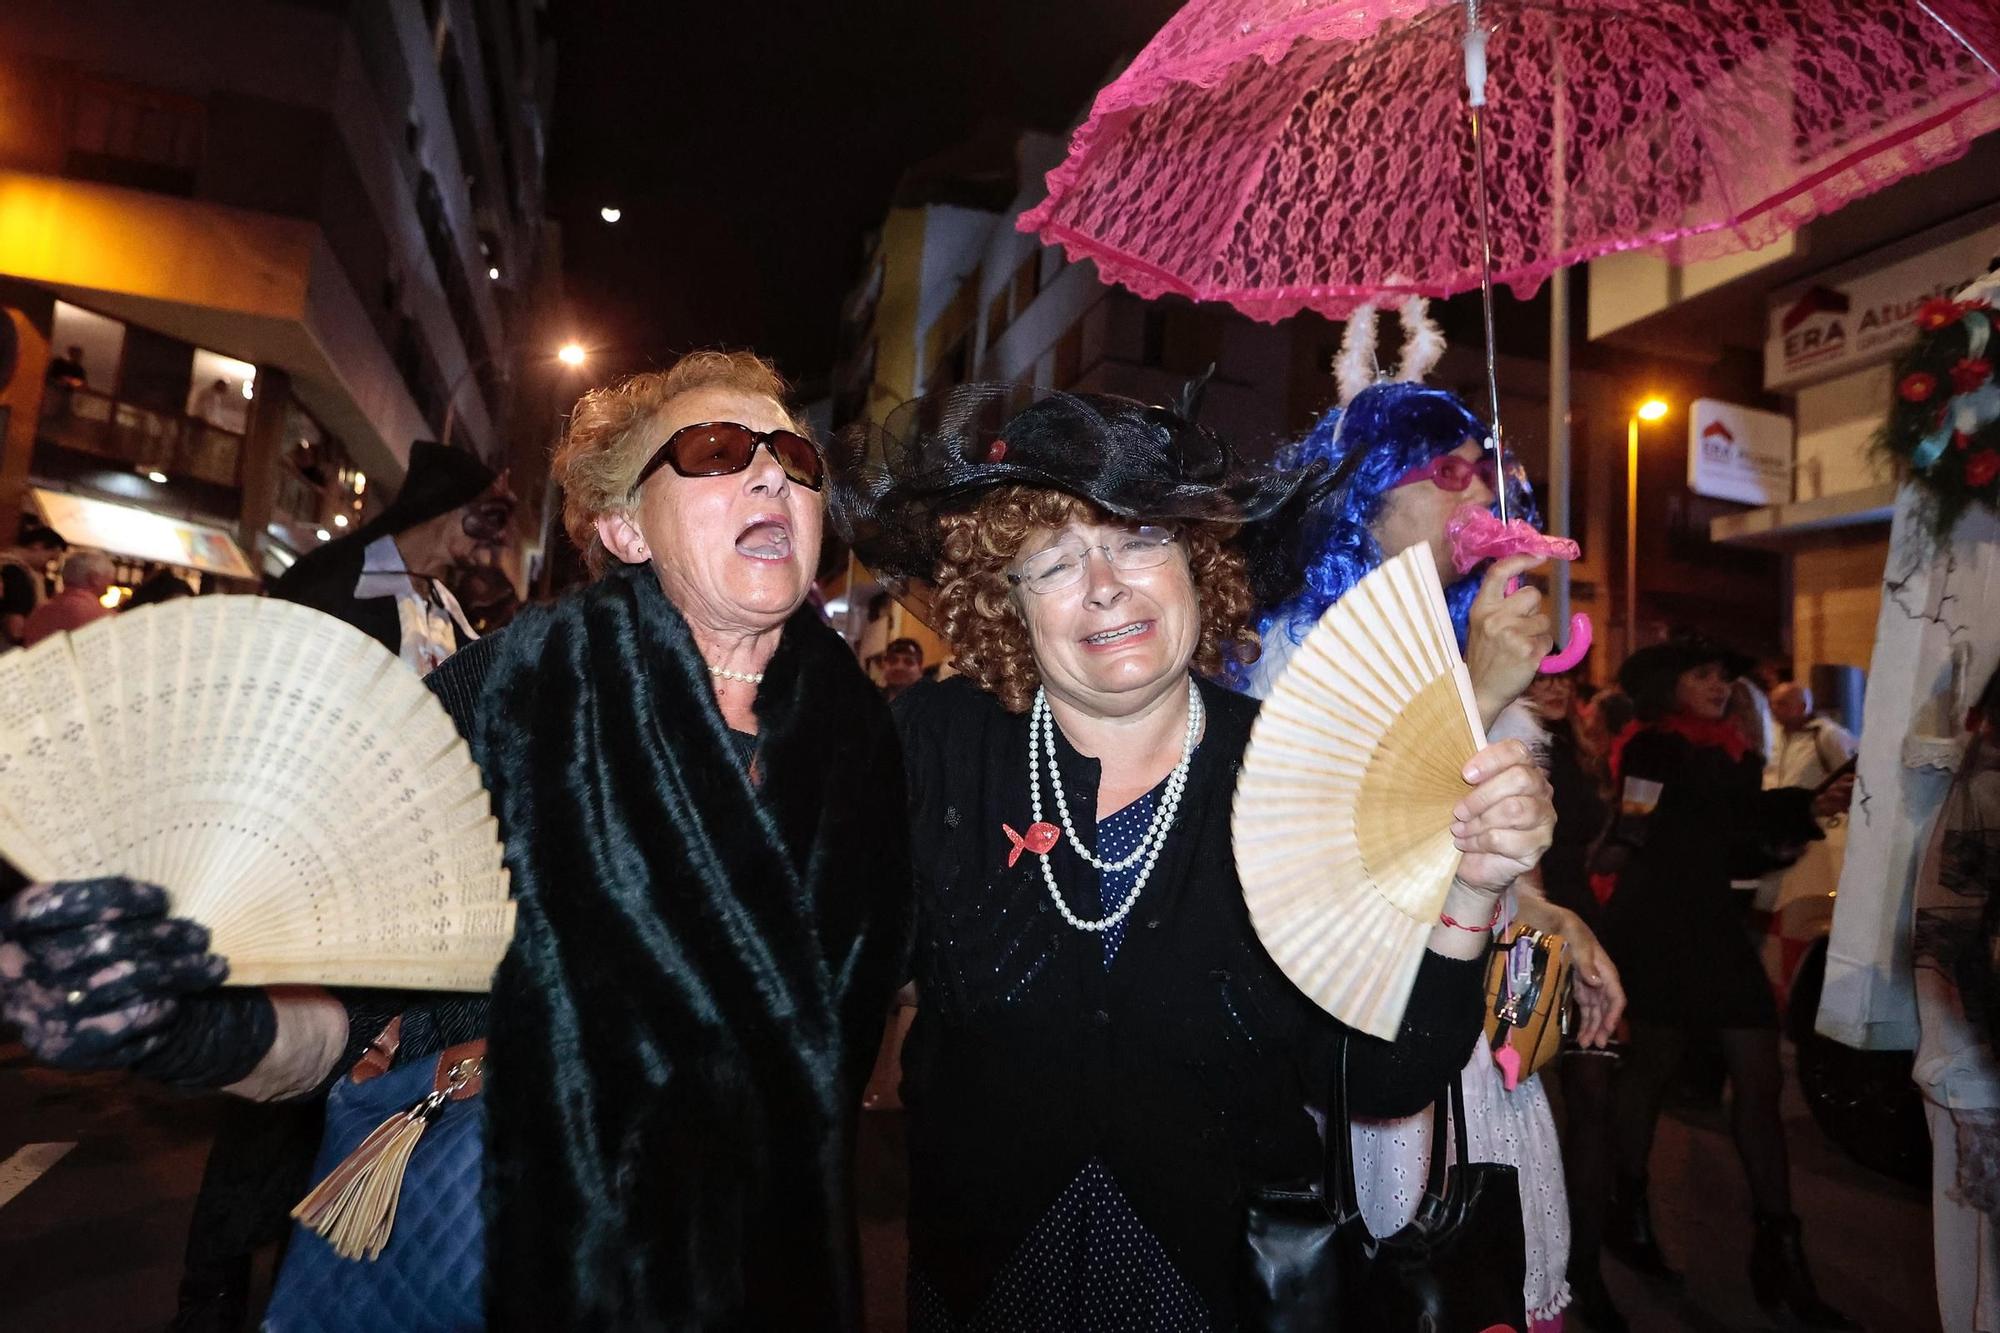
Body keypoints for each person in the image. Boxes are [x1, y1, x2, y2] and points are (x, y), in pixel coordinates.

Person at [0, 349, 913, 1330]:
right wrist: (180, 1019)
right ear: (622, 525)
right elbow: (338, 1010)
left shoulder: (869, 739)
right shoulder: (496, 700)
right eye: (717, 449)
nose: (770, 471)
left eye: (794, 457)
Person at [834, 383, 1557, 1330]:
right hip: (979, 1281)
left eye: (1139, 540)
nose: (1104, 585)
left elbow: (1381, 1079)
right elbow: (828, 976)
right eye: (1052, 561)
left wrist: (1471, 886)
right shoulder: (932, 744)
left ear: (1195, 562)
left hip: (1220, 1283)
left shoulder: (1306, 764)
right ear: (1006, 602)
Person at [1246, 311, 1623, 1333]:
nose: (1481, 488)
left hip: (1469, 1040)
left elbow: (1491, 850)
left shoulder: (1463, 639)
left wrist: (1549, 912)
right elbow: (1362, 853)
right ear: (1368, 491)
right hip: (1371, 1047)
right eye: (1446, 470)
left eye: (1481, 466)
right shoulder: (1298, 653)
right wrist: (1481, 681)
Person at [1596, 638, 1856, 1328]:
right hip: (1657, 923)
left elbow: (1741, 834)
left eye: (1723, 675)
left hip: (1712, 922)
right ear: (1669, 684)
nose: (1718, 684)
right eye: (1703, 673)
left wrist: (1806, 807)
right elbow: (1637, 825)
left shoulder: (1735, 750)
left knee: (1761, 1075)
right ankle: (1628, 1210)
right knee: (1649, 1068)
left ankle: (1779, 1246)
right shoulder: (1653, 747)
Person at [271, 441, 510, 675]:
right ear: (448, 506)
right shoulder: (334, 581)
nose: (500, 536)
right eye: (492, 515)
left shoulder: (447, 610)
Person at [22, 549, 115, 647]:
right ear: (94, 578)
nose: (111, 584)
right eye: (109, 577)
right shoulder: (101, 617)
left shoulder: (39, 612)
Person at [0, 519, 61, 648]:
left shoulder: (3, 563)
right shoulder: (17, 574)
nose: (47, 565)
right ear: (37, 546)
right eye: (50, 559)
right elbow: (15, 629)